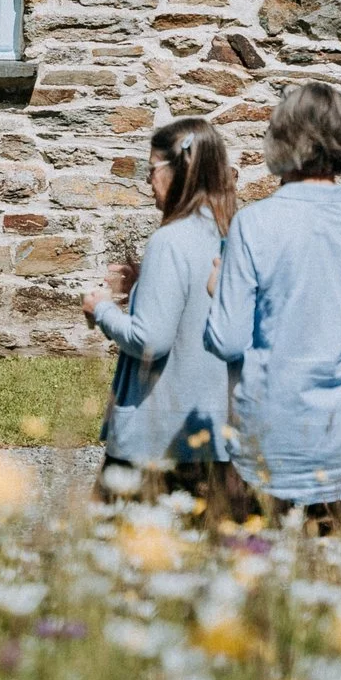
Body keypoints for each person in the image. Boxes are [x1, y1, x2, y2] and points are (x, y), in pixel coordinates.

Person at [205, 83, 341, 534]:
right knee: (334, 562)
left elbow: (228, 340)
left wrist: (219, 288)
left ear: (281, 140)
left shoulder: (254, 224)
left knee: (259, 562)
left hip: (277, 430)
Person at [82, 118, 237, 505]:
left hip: (158, 436)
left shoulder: (169, 241)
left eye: (151, 168)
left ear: (178, 170)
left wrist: (102, 309)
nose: (148, 180)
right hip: (216, 434)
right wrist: (142, 285)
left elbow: (150, 340)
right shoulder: (230, 232)